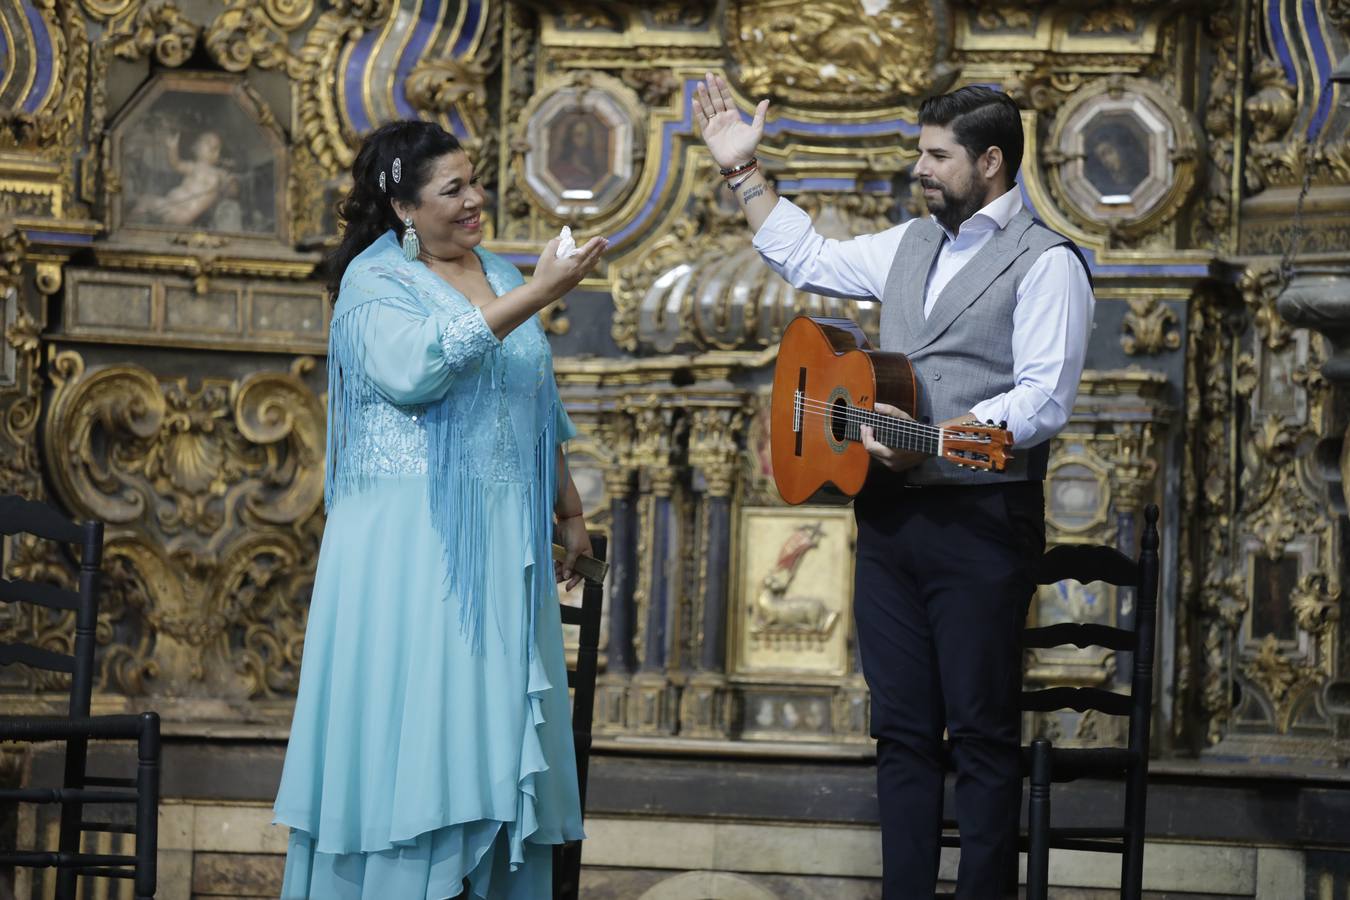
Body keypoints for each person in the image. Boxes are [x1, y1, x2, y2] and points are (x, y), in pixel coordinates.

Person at [693, 74, 1094, 897]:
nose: (920, 168)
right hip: (889, 526)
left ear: (989, 162)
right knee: (903, 732)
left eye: (936, 156)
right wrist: (744, 174)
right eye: (920, 151)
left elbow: (1044, 397)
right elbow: (805, 256)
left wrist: (935, 443)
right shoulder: (912, 243)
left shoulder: (1048, 262)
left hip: (982, 521)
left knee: (981, 733)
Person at [272, 119, 607, 899]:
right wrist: (539, 291)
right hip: (410, 544)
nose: (475, 201)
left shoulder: (494, 267)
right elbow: (417, 370)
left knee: (488, 734)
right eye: (452, 189)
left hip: (502, 538)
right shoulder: (373, 281)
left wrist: (568, 511)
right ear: (403, 209)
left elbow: (534, 398)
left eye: (474, 181)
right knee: (418, 728)